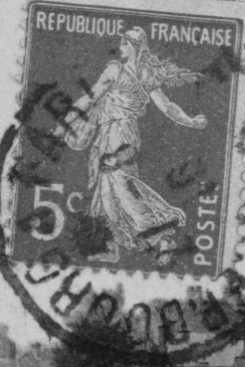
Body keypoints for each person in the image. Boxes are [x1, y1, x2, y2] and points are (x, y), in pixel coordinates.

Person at [59, 28, 209, 263]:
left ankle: (160, 230)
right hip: (116, 135)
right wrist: (190, 121)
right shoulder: (129, 72)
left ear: (134, 46)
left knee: (121, 188)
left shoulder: (125, 72)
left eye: (124, 44)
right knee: (111, 197)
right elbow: (93, 97)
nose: (120, 48)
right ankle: (158, 243)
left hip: (119, 136)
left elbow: (92, 98)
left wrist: (64, 124)